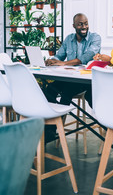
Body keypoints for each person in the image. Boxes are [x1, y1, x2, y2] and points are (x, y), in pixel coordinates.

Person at [43, 13, 101, 142]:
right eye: (80, 24)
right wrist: (53, 60)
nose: (84, 26)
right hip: (69, 78)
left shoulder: (95, 38)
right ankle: (50, 130)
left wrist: (63, 63)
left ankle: (52, 128)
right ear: (74, 26)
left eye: (86, 23)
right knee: (49, 89)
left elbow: (86, 57)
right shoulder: (69, 39)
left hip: (86, 81)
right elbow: (60, 55)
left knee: (66, 92)